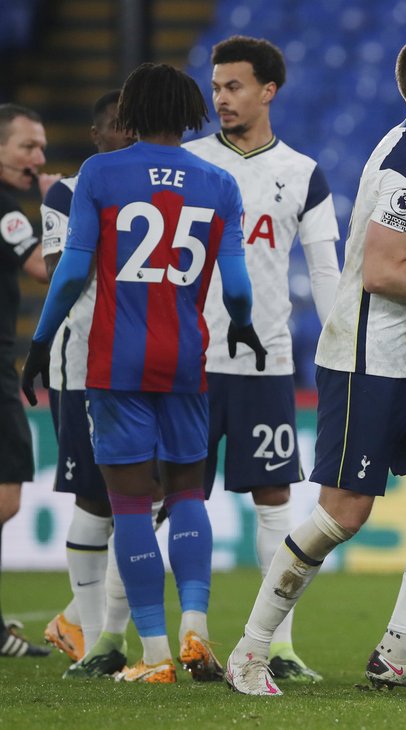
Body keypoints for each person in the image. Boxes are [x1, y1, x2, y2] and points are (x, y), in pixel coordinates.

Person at [223, 32, 406, 697]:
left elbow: (404, 258)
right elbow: (380, 272)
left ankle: (399, 650)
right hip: (365, 360)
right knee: (343, 515)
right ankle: (250, 650)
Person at [21, 62, 266, 683]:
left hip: (115, 359)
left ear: (129, 113)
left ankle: (153, 654)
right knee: (186, 492)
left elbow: (73, 272)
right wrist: (240, 322)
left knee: (129, 504)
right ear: (190, 113)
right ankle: (197, 628)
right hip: (185, 357)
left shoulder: (100, 172)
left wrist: (42, 339)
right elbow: (237, 288)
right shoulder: (219, 181)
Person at [183, 35, 341, 684]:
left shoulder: (303, 172)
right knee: (168, 496)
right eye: (216, 87)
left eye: (234, 86)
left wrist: (340, 354)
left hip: (266, 362)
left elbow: (326, 271)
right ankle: (164, 642)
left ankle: (278, 645)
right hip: (187, 362)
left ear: (268, 91)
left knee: (275, 497)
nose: (221, 98)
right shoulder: (188, 163)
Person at [38, 90, 137, 672]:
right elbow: (58, 272)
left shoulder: (158, 191)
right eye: (116, 128)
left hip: (148, 363)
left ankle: (89, 627)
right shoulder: (66, 193)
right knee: (96, 495)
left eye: (135, 126)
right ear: (97, 136)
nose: (127, 135)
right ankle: (95, 637)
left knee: (148, 495)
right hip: (81, 364)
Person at [0, 103, 56, 658]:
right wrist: (56, 206)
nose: (38, 158)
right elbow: (47, 265)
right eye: (26, 147)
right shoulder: (6, 210)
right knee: (6, 495)